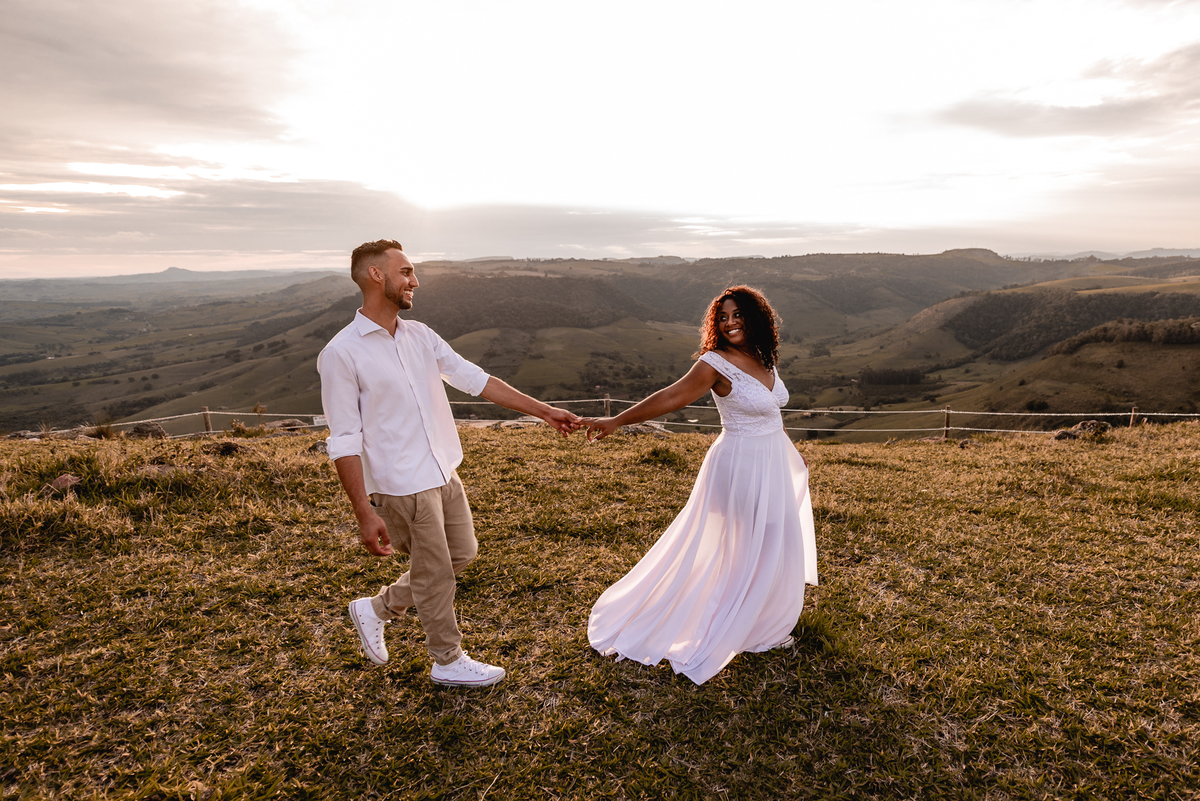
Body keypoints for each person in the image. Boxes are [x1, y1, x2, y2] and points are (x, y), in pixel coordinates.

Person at [319, 239, 582, 687]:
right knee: (437, 572)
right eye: (406, 272)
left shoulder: (421, 335)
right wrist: (364, 512)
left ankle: (376, 608)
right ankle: (447, 659)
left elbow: (476, 380)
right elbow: (344, 441)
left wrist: (544, 411)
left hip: (443, 469)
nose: (414, 281)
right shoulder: (341, 353)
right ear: (376, 276)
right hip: (401, 483)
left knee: (462, 554)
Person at [583, 285, 818, 685]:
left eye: (738, 315)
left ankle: (760, 620)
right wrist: (617, 421)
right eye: (723, 318)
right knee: (747, 544)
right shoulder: (715, 363)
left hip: (773, 459)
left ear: (755, 318)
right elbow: (672, 397)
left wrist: (790, 455)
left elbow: (770, 416)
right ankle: (732, 624)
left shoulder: (762, 357)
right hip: (740, 464)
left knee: (776, 538)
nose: (730, 323)